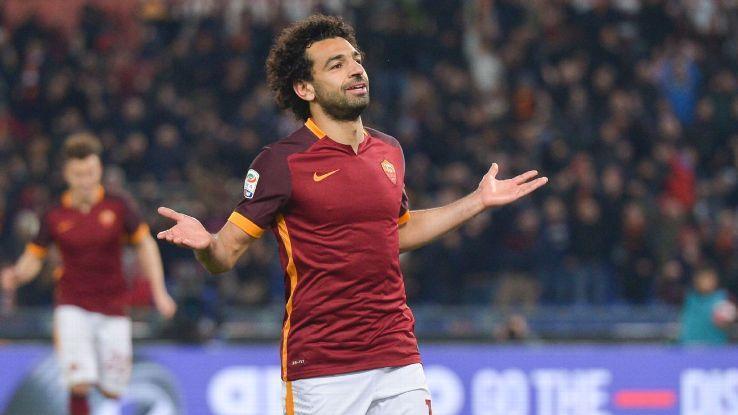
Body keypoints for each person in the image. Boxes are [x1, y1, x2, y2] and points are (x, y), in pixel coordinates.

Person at [157, 14, 547, 415]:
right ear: (305, 88)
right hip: (323, 365)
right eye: (336, 64)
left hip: (397, 353)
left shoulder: (388, 150)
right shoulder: (282, 162)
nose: (356, 69)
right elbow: (224, 256)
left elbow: (396, 232)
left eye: (356, 59)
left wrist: (477, 201)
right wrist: (206, 245)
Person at [0, 133, 177, 415]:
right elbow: (34, 256)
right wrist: (17, 275)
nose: (85, 180)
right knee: (79, 383)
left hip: (113, 307)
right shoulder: (55, 214)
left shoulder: (117, 207)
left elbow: (145, 245)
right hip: (72, 305)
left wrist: (159, 292)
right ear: (67, 174)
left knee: (113, 388)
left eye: (90, 173)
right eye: (78, 174)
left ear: (99, 170)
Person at [679, 266, 736, 345]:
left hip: (716, 347)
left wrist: (726, 321)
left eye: (709, 279)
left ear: (715, 281)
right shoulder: (689, 297)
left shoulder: (723, 298)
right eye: (703, 278)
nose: (706, 282)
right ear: (696, 280)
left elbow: (729, 323)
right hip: (689, 346)